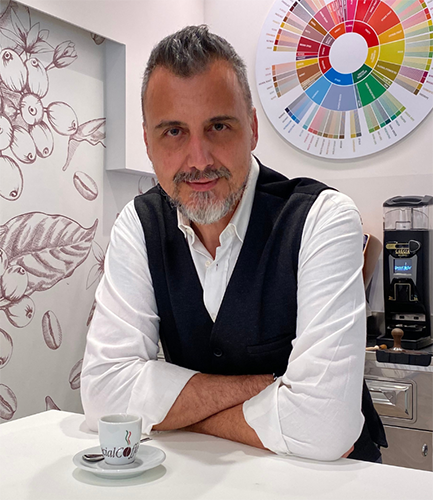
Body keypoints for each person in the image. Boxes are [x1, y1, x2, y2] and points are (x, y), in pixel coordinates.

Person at [81, 25, 386, 462]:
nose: (199, 159)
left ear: (253, 129)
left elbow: (323, 427)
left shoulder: (322, 218)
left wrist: (175, 414)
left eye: (219, 126)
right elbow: (102, 395)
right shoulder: (139, 225)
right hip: (201, 481)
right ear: (147, 142)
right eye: (173, 132)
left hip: (329, 481)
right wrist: (264, 390)